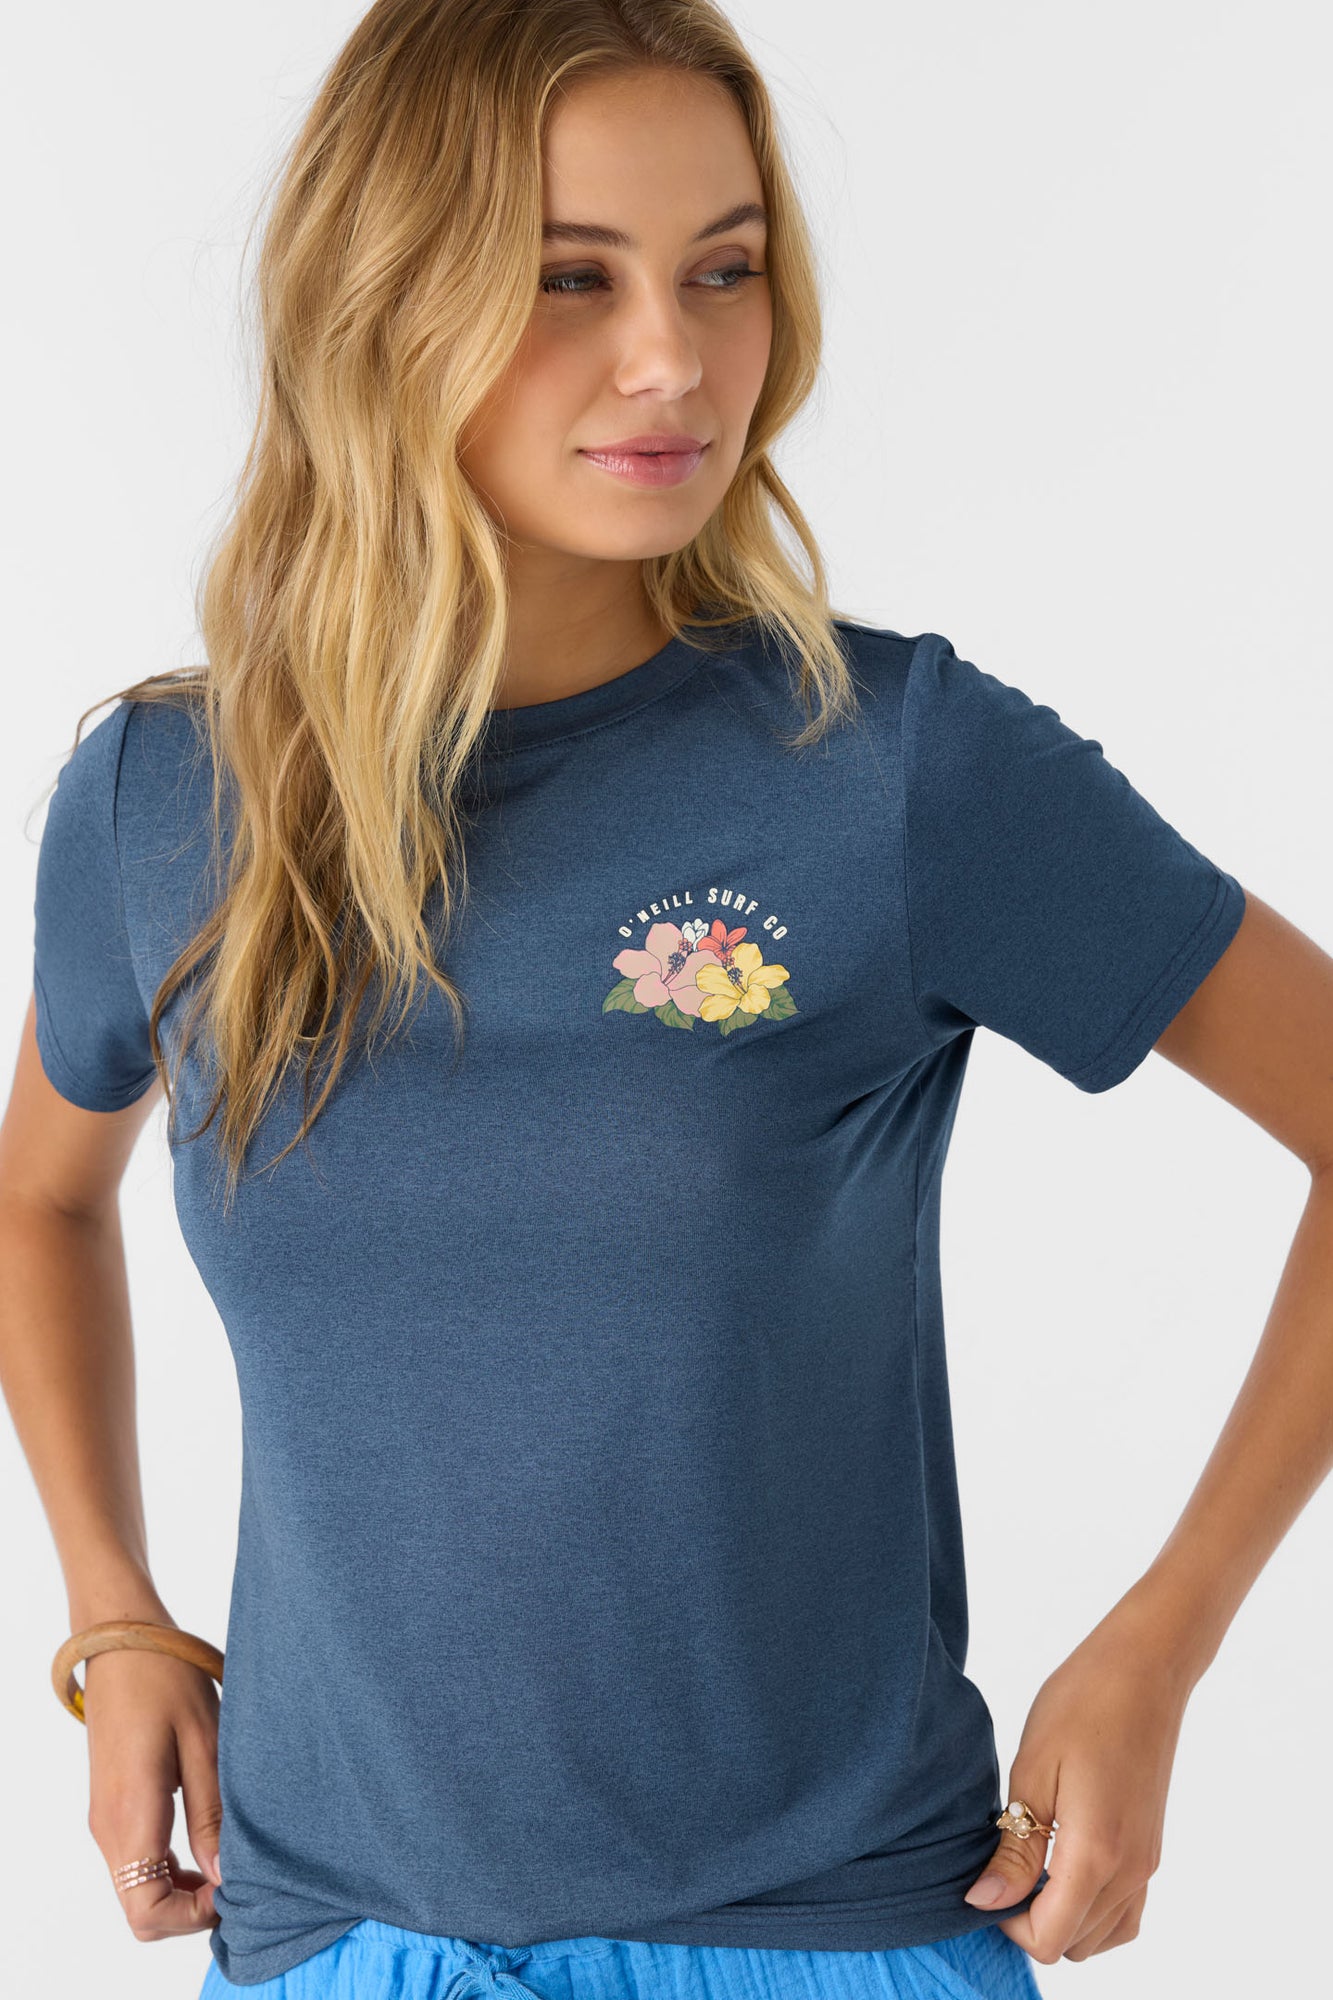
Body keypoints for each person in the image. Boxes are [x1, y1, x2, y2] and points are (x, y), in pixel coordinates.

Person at [4, 2, 1331, 1997]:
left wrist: (1164, 1638)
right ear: (384, 297)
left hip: (823, 1942)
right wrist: (112, 1612)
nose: (673, 360)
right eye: (570, 278)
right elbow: (39, 1196)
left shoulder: (893, 767)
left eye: (724, 271)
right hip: (328, 1939)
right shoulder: (168, 803)